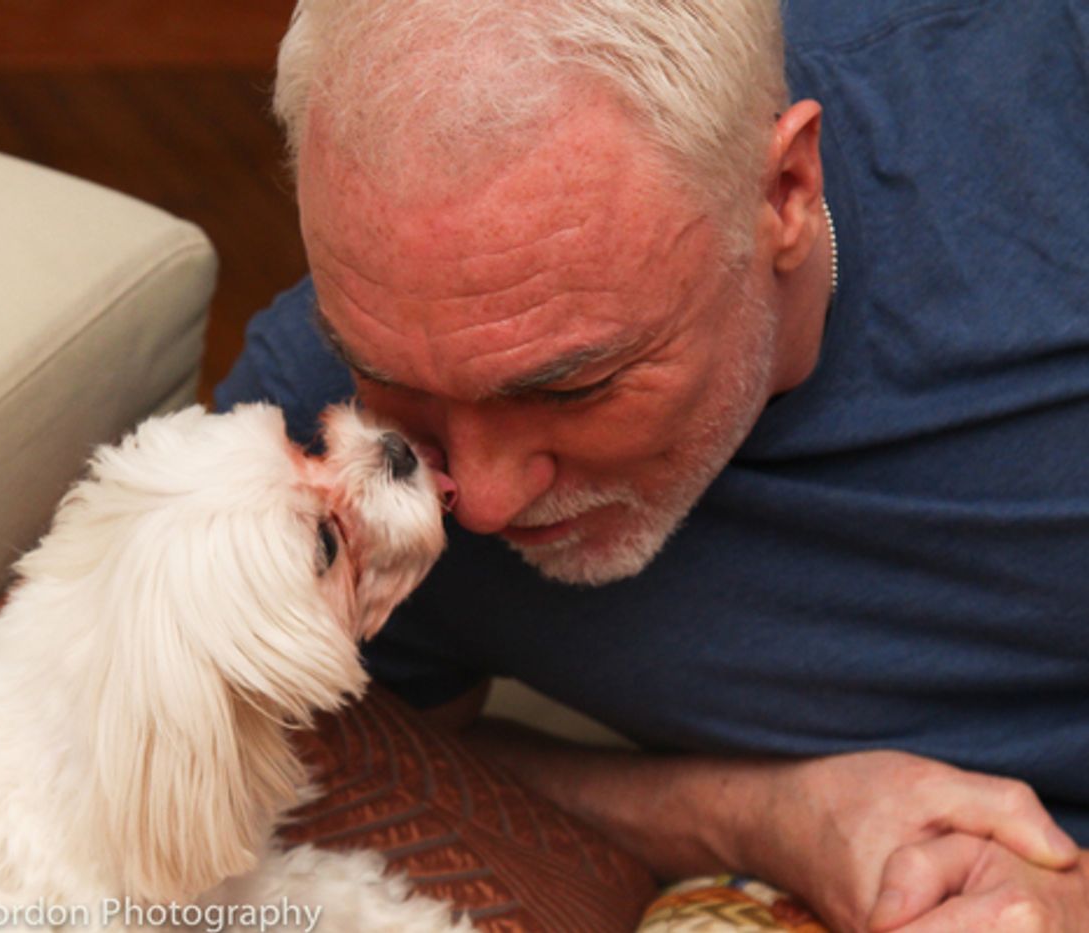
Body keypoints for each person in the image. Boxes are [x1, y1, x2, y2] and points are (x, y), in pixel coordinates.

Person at [215, 0, 1089, 929]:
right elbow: (318, 749)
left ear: (786, 189)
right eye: (393, 379)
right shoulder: (320, 452)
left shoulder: (1050, 99)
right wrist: (752, 816)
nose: (478, 501)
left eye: (571, 388)